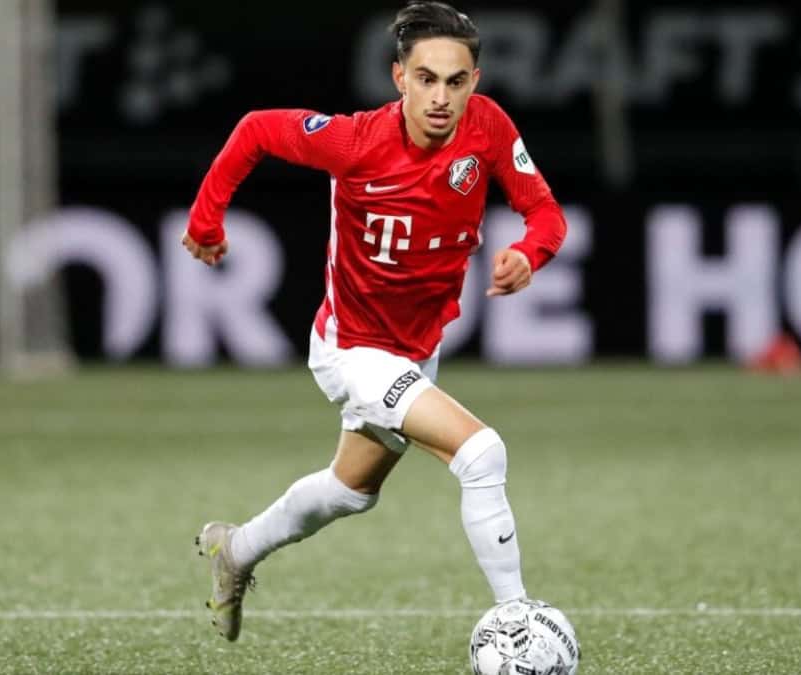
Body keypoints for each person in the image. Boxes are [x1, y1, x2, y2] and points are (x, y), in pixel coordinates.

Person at [184, 1, 567, 642]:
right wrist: (205, 220)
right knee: (481, 453)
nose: (441, 97)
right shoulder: (355, 141)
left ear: (474, 81)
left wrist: (531, 253)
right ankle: (518, 622)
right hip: (354, 350)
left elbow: (546, 213)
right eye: (426, 79)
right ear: (399, 78)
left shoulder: (489, 126)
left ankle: (237, 550)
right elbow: (255, 130)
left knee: (350, 491)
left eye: (456, 81)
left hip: (416, 350)